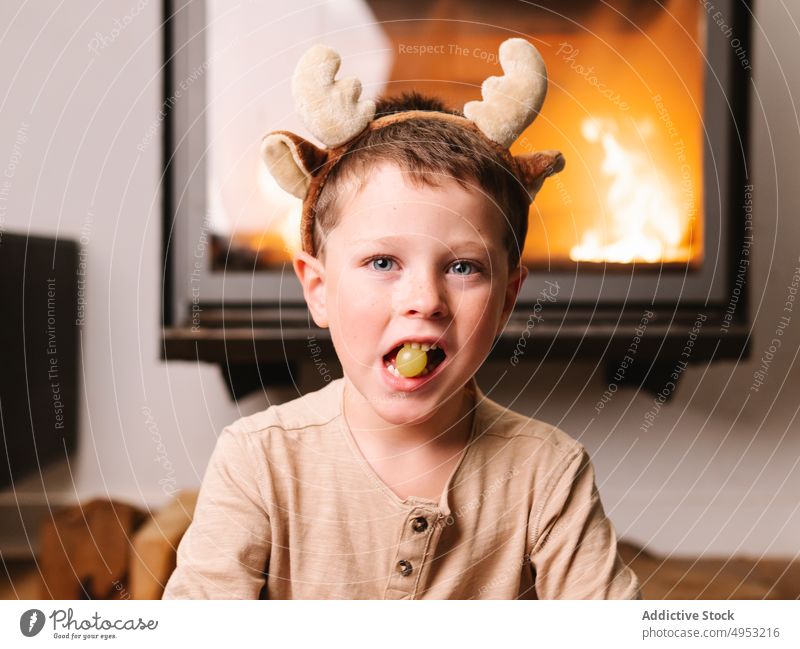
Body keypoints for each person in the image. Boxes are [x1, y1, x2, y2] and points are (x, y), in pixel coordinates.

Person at [162, 38, 642, 600]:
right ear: (318, 289)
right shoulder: (260, 458)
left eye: (463, 266)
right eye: (383, 262)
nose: (426, 300)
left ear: (509, 299)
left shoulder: (549, 472)